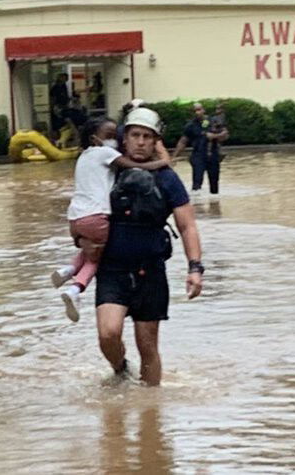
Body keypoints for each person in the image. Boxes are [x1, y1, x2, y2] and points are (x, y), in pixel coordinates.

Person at [95, 107, 204, 386]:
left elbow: (187, 225)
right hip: (112, 269)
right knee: (108, 333)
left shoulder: (167, 178)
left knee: (148, 346)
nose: (141, 142)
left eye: (147, 136)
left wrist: (195, 268)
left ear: (155, 140)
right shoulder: (106, 171)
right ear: (124, 138)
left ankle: (151, 416)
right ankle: (120, 370)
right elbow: (83, 208)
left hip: (151, 272)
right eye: (135, 135)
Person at [52, 116, 170, 322]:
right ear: (95, 139)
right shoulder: (105, 153)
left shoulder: (83, 157)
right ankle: (76, 287)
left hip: (75, 217)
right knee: (99, 254)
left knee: (89, 249)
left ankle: (68, 269)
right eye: (110, 136)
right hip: (96, 215)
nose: (115, 140)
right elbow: (135, 166)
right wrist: (163, 161)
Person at [172, 103, 228, 195]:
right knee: (197, 184)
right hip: (198, 156)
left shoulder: (213, 122)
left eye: (199, 110)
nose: (197, 112)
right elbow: (183, 142)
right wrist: (173, 157)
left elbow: (225, 135)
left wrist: (215, 136)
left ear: (203, 110)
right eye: (195, 111)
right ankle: (196, 206)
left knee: (214, 185)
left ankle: (215, 206)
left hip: (213, 155)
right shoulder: (190, 126)